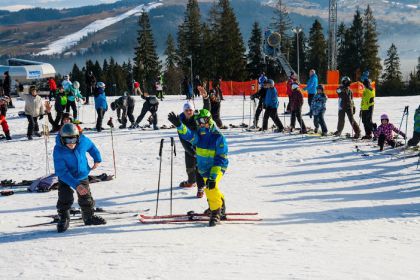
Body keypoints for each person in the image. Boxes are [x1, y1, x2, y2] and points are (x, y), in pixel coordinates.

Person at [168, 109, 228, 227]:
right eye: (197, 121)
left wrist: (213, 176)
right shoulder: (200, 134)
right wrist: (180, 125)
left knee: (211, 186)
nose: (200, 124)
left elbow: (220, 158)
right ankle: (219, 205)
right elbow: (189, 135)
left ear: (208, 119)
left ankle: (216, 212)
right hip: (204, 168)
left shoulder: (218, 137)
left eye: (202, 121)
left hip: (217, 167)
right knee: (210, 188)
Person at [53, 123, 105, 233]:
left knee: (86, 197)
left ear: (78, 137)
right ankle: (64, 218)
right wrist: (76, 185)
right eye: (67, 141)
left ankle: (88, 217)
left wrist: (97, 159)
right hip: (66, 178)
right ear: (62, 139)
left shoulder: (83, 141)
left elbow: (92, 147)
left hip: (82, 175)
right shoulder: (58, 150)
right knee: (65, 198)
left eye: (73, 140)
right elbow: (61, 171)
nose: (71, 144)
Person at [176, 101, 206, 198]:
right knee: (189, 167)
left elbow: (207, 111)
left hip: (199, 146)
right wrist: (190, 151)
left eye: (190, 110)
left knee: (199, 168)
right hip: (188, 146)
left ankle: (201, 188)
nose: (189, 112)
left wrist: (205, 98)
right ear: (183, 111)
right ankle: (191, 182)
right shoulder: (180, 121)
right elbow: (182, 139)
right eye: (186, 110)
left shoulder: (197, 118)